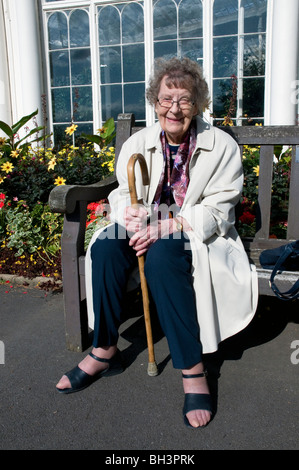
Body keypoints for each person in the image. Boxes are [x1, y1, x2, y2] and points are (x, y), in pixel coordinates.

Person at [56, 57, 258, 428]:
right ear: (155, 101)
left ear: (197, 104)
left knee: (165, 255)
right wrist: (126, 214)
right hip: (144, 225)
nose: (174, 108)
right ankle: (104, 349)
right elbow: (120, 192)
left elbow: (220, 209)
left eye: (184, 100)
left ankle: (192, 369)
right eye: (166, 99)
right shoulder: (140, 141)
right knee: (104, 248)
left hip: (193, 232)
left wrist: (173, 224)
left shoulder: (221, 146)